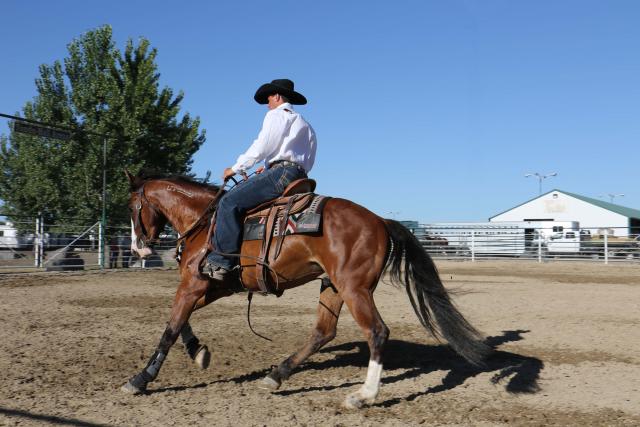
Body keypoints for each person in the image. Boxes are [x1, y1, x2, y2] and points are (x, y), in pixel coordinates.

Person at [204, 79, 317, 280]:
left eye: (269, 99)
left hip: (281, 173)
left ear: (277, 97)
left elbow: (262, 146)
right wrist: (264, 170)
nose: (267, 104)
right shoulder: (305, 124)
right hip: (299, 175)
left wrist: (236, 168)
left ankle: (221, 262)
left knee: (229, 202)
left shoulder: (276, 115)